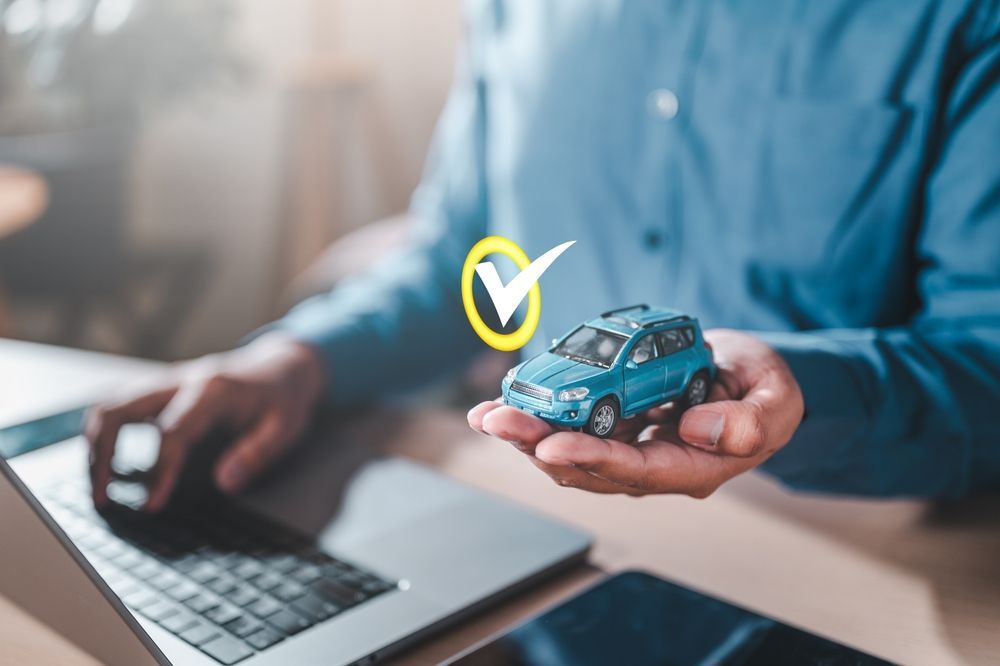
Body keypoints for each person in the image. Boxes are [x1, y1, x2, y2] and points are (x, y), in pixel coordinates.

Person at [87, 1, 1000, 511]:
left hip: (860, 534)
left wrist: (804, 388)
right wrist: (298, 358)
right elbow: (464, 262)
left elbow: (986, 356)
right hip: (534, 512)